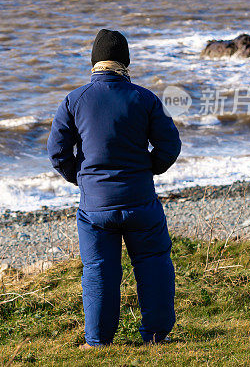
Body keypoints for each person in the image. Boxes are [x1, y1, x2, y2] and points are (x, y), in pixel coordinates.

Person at [47, 28, 181, 348]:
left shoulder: (74, 100)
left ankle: (97, 341)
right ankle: (156, 336)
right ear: (125, 62)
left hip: (95, 206)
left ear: (94, 62)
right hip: (140, 200)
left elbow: (57, 153)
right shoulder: (145, 98)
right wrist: (150, 168)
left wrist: (81, 178)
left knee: (99, 272)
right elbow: (170, 145)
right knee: (153, 265)